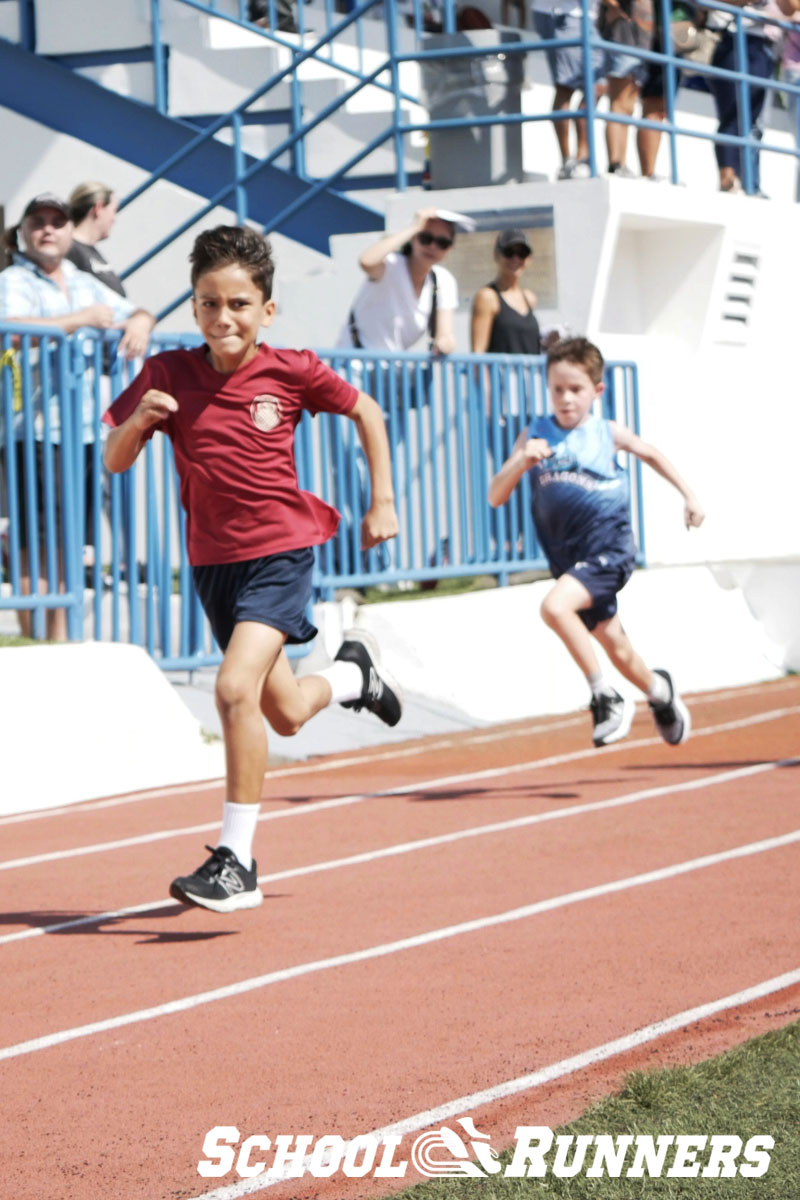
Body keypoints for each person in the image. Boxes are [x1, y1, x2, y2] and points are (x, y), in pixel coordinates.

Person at [102, 224, 402, 914]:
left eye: (239, 304)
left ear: (267, 310)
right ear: (194, 307)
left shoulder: (291, 369)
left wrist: (382, 500)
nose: (223, 317)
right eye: (209, 303)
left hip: (281, 549)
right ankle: (356, 674)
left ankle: (237, 861)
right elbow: (114, 461)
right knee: (286, 711)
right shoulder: (168, 375)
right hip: (214, 562)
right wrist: (139, 421)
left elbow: (367, 410)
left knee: (234, 690)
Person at [488, 336, 704, 748]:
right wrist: (520, 460)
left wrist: (689, 496)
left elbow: (651, 453)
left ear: (596, 391)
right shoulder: (534, 434)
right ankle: (661, 692)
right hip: (570, 562)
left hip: (610, 549)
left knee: (553, 607)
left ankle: (603, 695)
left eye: (576, 389)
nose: (566, 399)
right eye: (557, 390)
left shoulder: (606, 432)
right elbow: (496, 496)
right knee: (617, 647)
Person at [0, 193, 155, 640]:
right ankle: (35, 645)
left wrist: (141, 322)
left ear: (70, 230)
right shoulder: (14, 278)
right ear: (23, 232)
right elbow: (11, 328)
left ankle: (60, 643)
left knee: (70, 544)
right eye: (38, 222)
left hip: (84, 434)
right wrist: (82, 319)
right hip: (34, 432)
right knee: (34, 544)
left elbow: (135, 312)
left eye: (57, 221)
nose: (48, 229)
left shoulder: (80, 279)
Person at [336, 208, 463, 356]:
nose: (432, 246)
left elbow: (445, 335)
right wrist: (414, 226)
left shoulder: (444, 280)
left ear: (450, 248)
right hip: (354, 364)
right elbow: (366, 261)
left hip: (393, 372)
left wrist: (446, 344)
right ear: (414, 238)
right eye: (425, 238)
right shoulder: (391, 264)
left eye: (442, 243)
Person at [706, 0, 786, 194]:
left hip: (762, 45)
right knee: (731, 115)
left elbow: (791, 8)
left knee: (751, 121)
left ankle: (744, 181)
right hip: (731, 38)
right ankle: (728, 180)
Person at [531, 0, 604, 179]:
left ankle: (582, 156)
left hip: (584, 18)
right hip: (561, 15)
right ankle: (568, 161)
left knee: (598, 86)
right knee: (566, 86)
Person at [597, 0, 655, 176]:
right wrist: (615, 6)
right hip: (623, 37)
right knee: (619, 104)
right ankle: (615, 162)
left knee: (628, 107)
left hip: (639, 41)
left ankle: (620, 162)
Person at [470, 228, 541, 356]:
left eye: (522, 253)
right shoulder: (487, 297)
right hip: (501, 375)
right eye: (509, 252)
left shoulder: (529, 298)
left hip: (530, 374)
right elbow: (478, 353)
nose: (516, 259)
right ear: (496, 256)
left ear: (529, 259)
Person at [66, 182, 126, 296]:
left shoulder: (88, 250)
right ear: (98, 208)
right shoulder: (69, 249)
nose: (114, 219)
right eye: (113, 211)